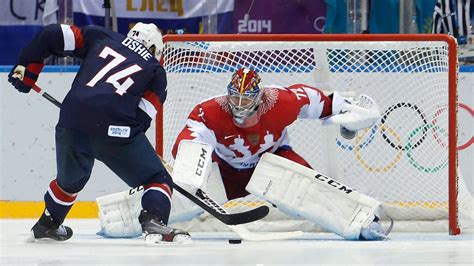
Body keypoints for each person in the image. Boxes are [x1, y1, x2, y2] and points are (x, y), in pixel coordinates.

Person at [7, 22, 190, 244]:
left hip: (71, 120)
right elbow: (141, 120)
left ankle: (48, 223)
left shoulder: (102, 36)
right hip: (116, 130)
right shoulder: (156, 71)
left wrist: (29, 66)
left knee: (70, 182)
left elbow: (53, 34)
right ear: (154, 49)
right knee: (157, 178)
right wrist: (128, 143)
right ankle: (154, 220)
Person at [171, 67, 386, 240]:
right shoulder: (209, 111)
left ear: (258, 98)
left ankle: (364, 221)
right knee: (181, 197)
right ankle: (148, 217)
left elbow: (325, 103)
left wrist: (352, 112)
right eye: (234, 98)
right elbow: (190, 139)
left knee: (308, 191)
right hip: (228, 172)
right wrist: (190, 167)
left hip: (274, 159)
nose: (238, 105)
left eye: (245, 100)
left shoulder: (282, 102)